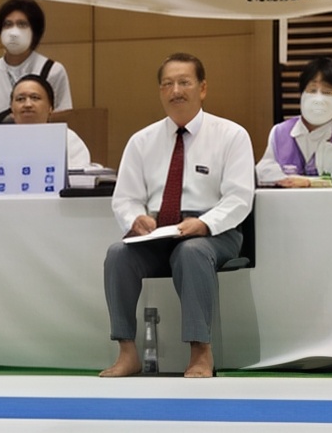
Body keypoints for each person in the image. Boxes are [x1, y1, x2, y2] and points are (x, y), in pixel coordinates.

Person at [102, 54, 254, 379]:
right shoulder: (141, 141)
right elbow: (125, 198)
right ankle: (127, 352)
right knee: (118, 254)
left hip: (215, 231)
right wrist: (135, 219)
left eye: (184, 82)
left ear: (202, 88)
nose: (176, 91)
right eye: (167, 84)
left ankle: (201, 352)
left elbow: (240, 198)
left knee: (192, 251)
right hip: (161, 230)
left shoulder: (231, 135)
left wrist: (205, 223)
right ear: (160, 92)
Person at [256, 58, 332, 189]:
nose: (318, 99)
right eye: (312, 91)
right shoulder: (280, 132)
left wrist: (310, 182)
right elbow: (262, 174)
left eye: (327, 92)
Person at [0, 0, 72, 124]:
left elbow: (63, 120)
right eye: (8, 24)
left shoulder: (53, 71)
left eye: (22, 24)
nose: (14, 32)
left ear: (34, 31)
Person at [10, 73, 92, 167]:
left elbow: (80, 178)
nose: (28, 104)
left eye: (35, 98)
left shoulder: (67, 139)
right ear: (11, 109)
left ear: (50, 108)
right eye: (20, 99)